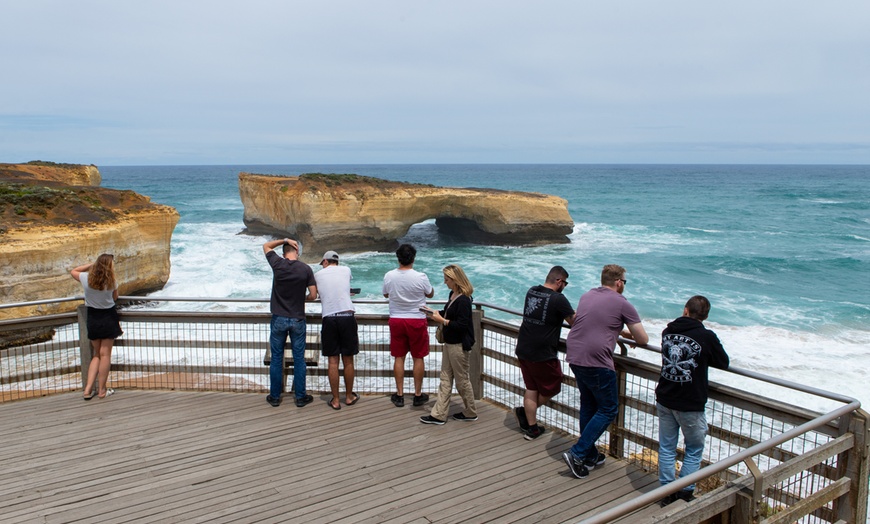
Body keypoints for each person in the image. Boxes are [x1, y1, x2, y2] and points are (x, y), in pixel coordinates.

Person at [562, 264, 649, 479]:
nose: (624, 285)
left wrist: (621, 332)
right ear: (618, 282)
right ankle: (578, 453)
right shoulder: (622, 303)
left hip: (575, 354)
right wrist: (629, 335)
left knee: (589, 404)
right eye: (624, 282)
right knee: (609, 409)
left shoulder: (587, 296)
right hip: (596, 360)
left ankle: (589, 454)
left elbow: (597, 321)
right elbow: (642, 339)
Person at [656, 295, 729, 507]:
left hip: (665, 396)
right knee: (694, 448)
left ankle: (666, 491)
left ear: (685, 310)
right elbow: (723, 362)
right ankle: (685, 492)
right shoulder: (706, 336)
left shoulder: (668, 331)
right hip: (690, 402)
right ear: (705, 316)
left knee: (667, 447)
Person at [513, 266, 576, 440]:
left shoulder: (532, 291)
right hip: (542, 353)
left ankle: (532, 428)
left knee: (531, 388)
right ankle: (524, 413)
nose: (564, 286)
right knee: (552, 387)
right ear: (559, 281)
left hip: (524, 347)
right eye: (565, 283)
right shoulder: (558, 299)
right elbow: (574, 322)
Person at [420, 264, 477, 425]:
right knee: (445, 378)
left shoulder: (464, 300)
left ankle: (470, 411)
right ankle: (439, 414)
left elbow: (461, 325)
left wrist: (442, 320)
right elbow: (449, 314)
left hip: (459, 346)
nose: (445, 282)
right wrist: (434, 313)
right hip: (450, 343)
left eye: (447, 279)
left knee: (462, 381)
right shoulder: (453, 294)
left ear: (455, 280)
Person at [263, 238, 317, 408]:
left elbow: (266, 246)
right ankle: (300, 397)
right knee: (299, 358)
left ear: (283, 252)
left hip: (278, 317)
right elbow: (313, 295)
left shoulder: (277, 264)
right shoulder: (305, 269)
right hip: (297, 318)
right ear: (297, 252)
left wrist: (285, 240)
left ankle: (275, 397)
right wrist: (302, 298)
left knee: (276, 358)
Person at [382, 243, 434, 408]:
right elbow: (430, 293)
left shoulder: (389, 275)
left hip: (397, 319)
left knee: (399, 357)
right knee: (418, 357)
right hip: (417, 319)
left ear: (398, 258)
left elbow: (385, 294)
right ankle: (418, 394)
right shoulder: (421, 276)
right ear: (413, 258)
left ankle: (399, 395)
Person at [71, 254, 122, 400]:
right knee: (105, 355)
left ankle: (88, 389)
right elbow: (115, 298)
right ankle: (102, 390)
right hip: (108, 317)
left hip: (93, 317)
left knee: (97, 354)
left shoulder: (86, 278)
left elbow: (73, 271)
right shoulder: (112, 281)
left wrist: (90, 265)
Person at [314, 250, 360, 410]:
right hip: (346, 315)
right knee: (348, 360)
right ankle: (348, 397)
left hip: (329, 317)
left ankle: (335, 400)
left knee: (333, 361)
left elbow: (318, 292)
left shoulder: (318, 275)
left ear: (325, 261)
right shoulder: (346, 270)